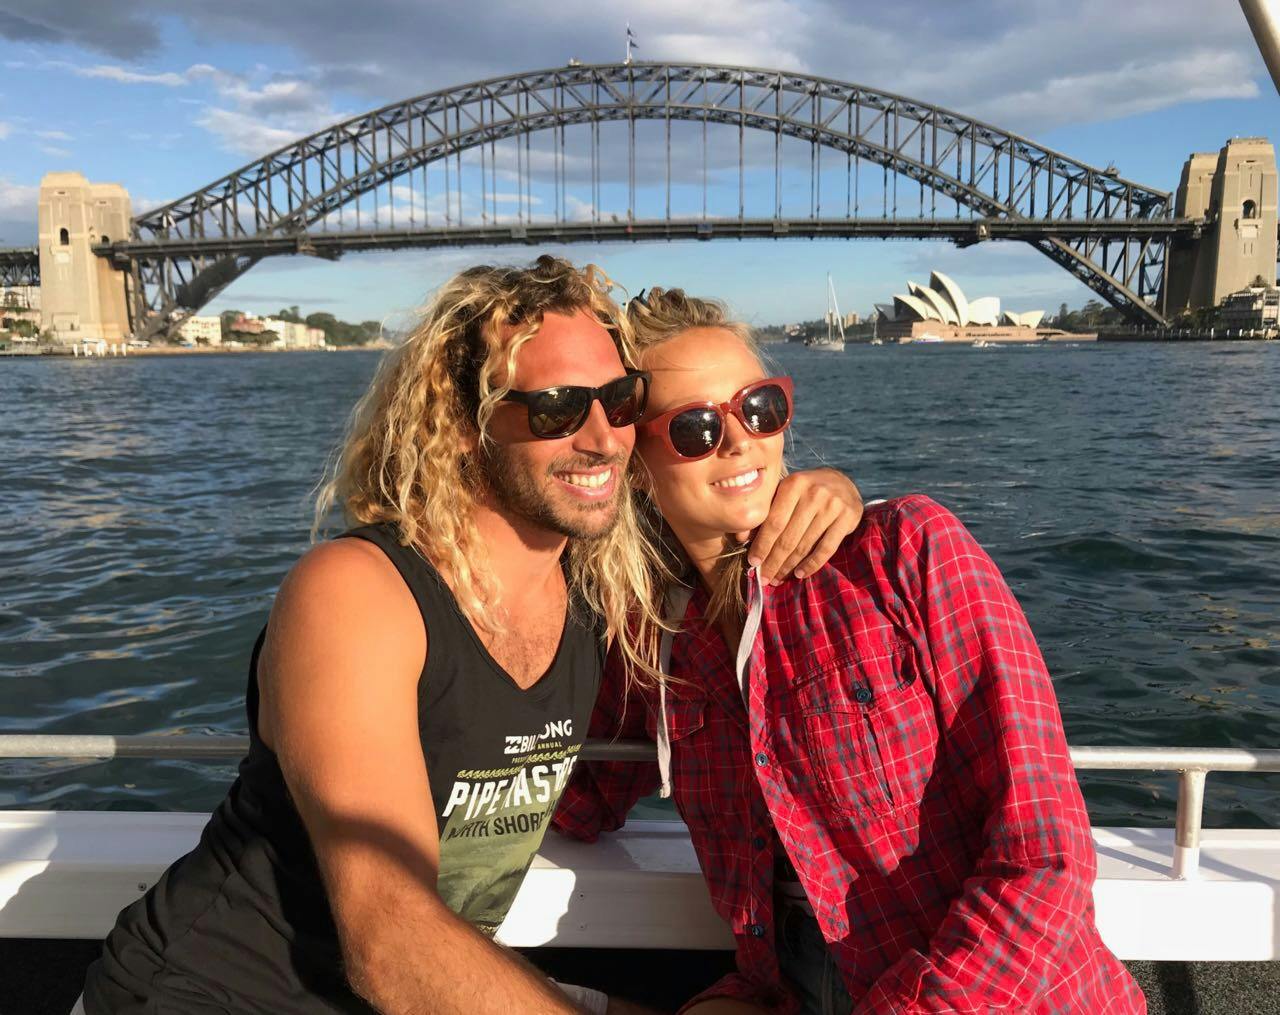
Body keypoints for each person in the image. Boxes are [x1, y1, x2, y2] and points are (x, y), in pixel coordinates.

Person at [78, 258, 865, 1015]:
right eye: (556, 408)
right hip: (215, 994)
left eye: (619, 401)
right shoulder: (359, 594)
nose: (602, 438)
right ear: (462, 425)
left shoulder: (602, 601)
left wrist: (830, 498)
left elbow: (714, 516)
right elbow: (391, 941)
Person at [553, 288, 1147, 1015]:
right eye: (695, 427)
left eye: (759, 407)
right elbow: (576, 802)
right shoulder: (658, 646)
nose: (740, 441)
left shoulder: (904, 552)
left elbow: (1045, 853)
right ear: (635, 459)